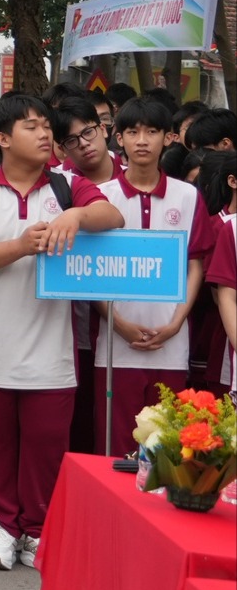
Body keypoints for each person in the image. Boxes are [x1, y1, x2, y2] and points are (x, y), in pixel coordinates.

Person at [0, 94, 121, 570]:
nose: (45, 134)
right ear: (2, 139)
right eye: (32, 126)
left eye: (47, 126)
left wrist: (76, 215)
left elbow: (113, 216)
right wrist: (21, 246)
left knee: (46, 443)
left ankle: (36, 530)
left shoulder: (69, 186)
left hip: (52, 346)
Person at [93, 96, 214, 451]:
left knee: (167, 448)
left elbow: (195, 264)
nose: (142, 141)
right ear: (119, 138)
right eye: (132, 132)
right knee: (115, 448)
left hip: (171, 343)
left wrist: (176, 322)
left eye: (151, 132)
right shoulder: (99, 197)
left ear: (169, 137)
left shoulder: (188, 196)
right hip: (115, 346)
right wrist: (117, 323)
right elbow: (88, 272)